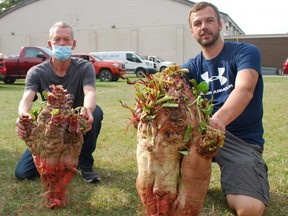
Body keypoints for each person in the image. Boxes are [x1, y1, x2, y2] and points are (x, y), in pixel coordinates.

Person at [183, 2, 269, 215]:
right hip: (200, 135)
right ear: (192, 32)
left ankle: (241, 175)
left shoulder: (245, 52)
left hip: (240, 139)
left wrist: (218, 121)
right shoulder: (191, 67)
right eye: (197, 23)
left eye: (209, 20)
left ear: (220, 25)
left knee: (249, 208)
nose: (204, 26)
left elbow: (244, 89)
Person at [15, 21, 103, 184]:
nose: (62, 43)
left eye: (66, 40)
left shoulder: (85, 67)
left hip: (76, 121)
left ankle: (85, 165)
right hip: (51, 125)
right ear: (50, 44)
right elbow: (27, 98)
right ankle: (58, 158)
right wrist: (23, 115)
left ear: (73, 44)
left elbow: (89, 91)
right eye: (57, 40)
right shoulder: (36, 72)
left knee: (96, 112)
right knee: (23, 173)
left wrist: (87, 109)